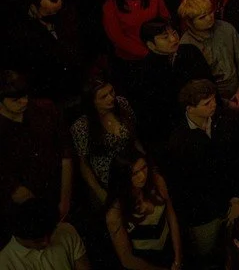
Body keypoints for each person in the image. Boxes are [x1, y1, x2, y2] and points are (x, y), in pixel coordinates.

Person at [164, 80, 239, 269]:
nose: (214, 105)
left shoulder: (224, 120)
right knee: (210, 258)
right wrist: (225, 210)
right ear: (190, 108)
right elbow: (188, 189)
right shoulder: (178, 140)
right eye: (206, 103)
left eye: (213, 100)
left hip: (234, 200)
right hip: (203, 217)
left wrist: (237, 196)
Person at [0, 71, 72, 228]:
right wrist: (13, 188)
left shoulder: (44, 109)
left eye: (25, 96)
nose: (24, 102)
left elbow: (66, 153)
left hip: (56, 188)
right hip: (25, 204)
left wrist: (65, 198)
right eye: (16, 100)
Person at [129, 21, 211, 149]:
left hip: (207, 116)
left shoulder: (190, 51)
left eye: (174, 33)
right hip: (175, 133)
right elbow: (154, 113)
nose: (173, 39)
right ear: (150, 45)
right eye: (165, 37)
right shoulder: (146, 72)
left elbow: (208, 83)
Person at [104, 151, 180, 270]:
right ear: (123, 176)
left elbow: (171, 216)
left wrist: (177, 258)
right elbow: (127, 259)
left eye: (144, 168)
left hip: (169, 249)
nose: (142, 176)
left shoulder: (156, 181)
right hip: (145, 263)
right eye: (135, 173)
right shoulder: (115, 212)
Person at [70, 75, 137, 207]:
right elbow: (84, 164)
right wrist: (100, 193)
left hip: (132, 170)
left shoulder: (122, 104)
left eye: (111, 92)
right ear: (92, 101)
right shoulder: (82, 126)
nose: (111, 98)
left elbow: (135, 139)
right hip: (107, 180)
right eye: (103, 96)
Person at [178, 0, 239, 111]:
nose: (210, 18)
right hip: (212, 101)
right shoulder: (187, 46)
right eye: (202, 17)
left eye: (210, 12)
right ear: (190, 22)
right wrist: (224, 103)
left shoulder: (226, 28)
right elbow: (196, 85)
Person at [102, 0, 172, 67]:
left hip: (158, 49)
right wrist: (145, 53)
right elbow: (117, 37)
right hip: (131, 58)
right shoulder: (110, 5)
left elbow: (165, 15)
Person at [0, 198, 86, 270]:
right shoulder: (5, 263)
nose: (47, 242)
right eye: (38, 241)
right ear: (19, 238)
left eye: (50, 234)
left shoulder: (65, 231)